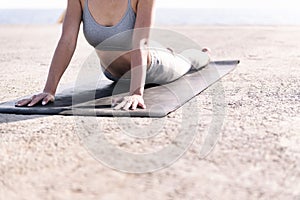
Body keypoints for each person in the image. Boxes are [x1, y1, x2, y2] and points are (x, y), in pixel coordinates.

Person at [16, 0, 210, 110]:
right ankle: (169, 51)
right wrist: (49, 90)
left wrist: (136, 93)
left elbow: (140, 44)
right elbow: (67, 41)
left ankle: (200, 54)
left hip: (152, 67)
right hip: (112, 73)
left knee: (189, 62)